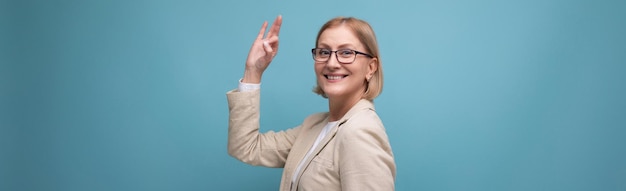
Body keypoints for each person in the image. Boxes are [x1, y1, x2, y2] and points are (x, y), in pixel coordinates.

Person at [226, 15, 396, 191]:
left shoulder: (360, 132)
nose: (331, 63)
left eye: (346, 53)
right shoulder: (315, 125)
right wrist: (253, 71)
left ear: (371, 67)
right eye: (324, 52)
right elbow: (247, 147)